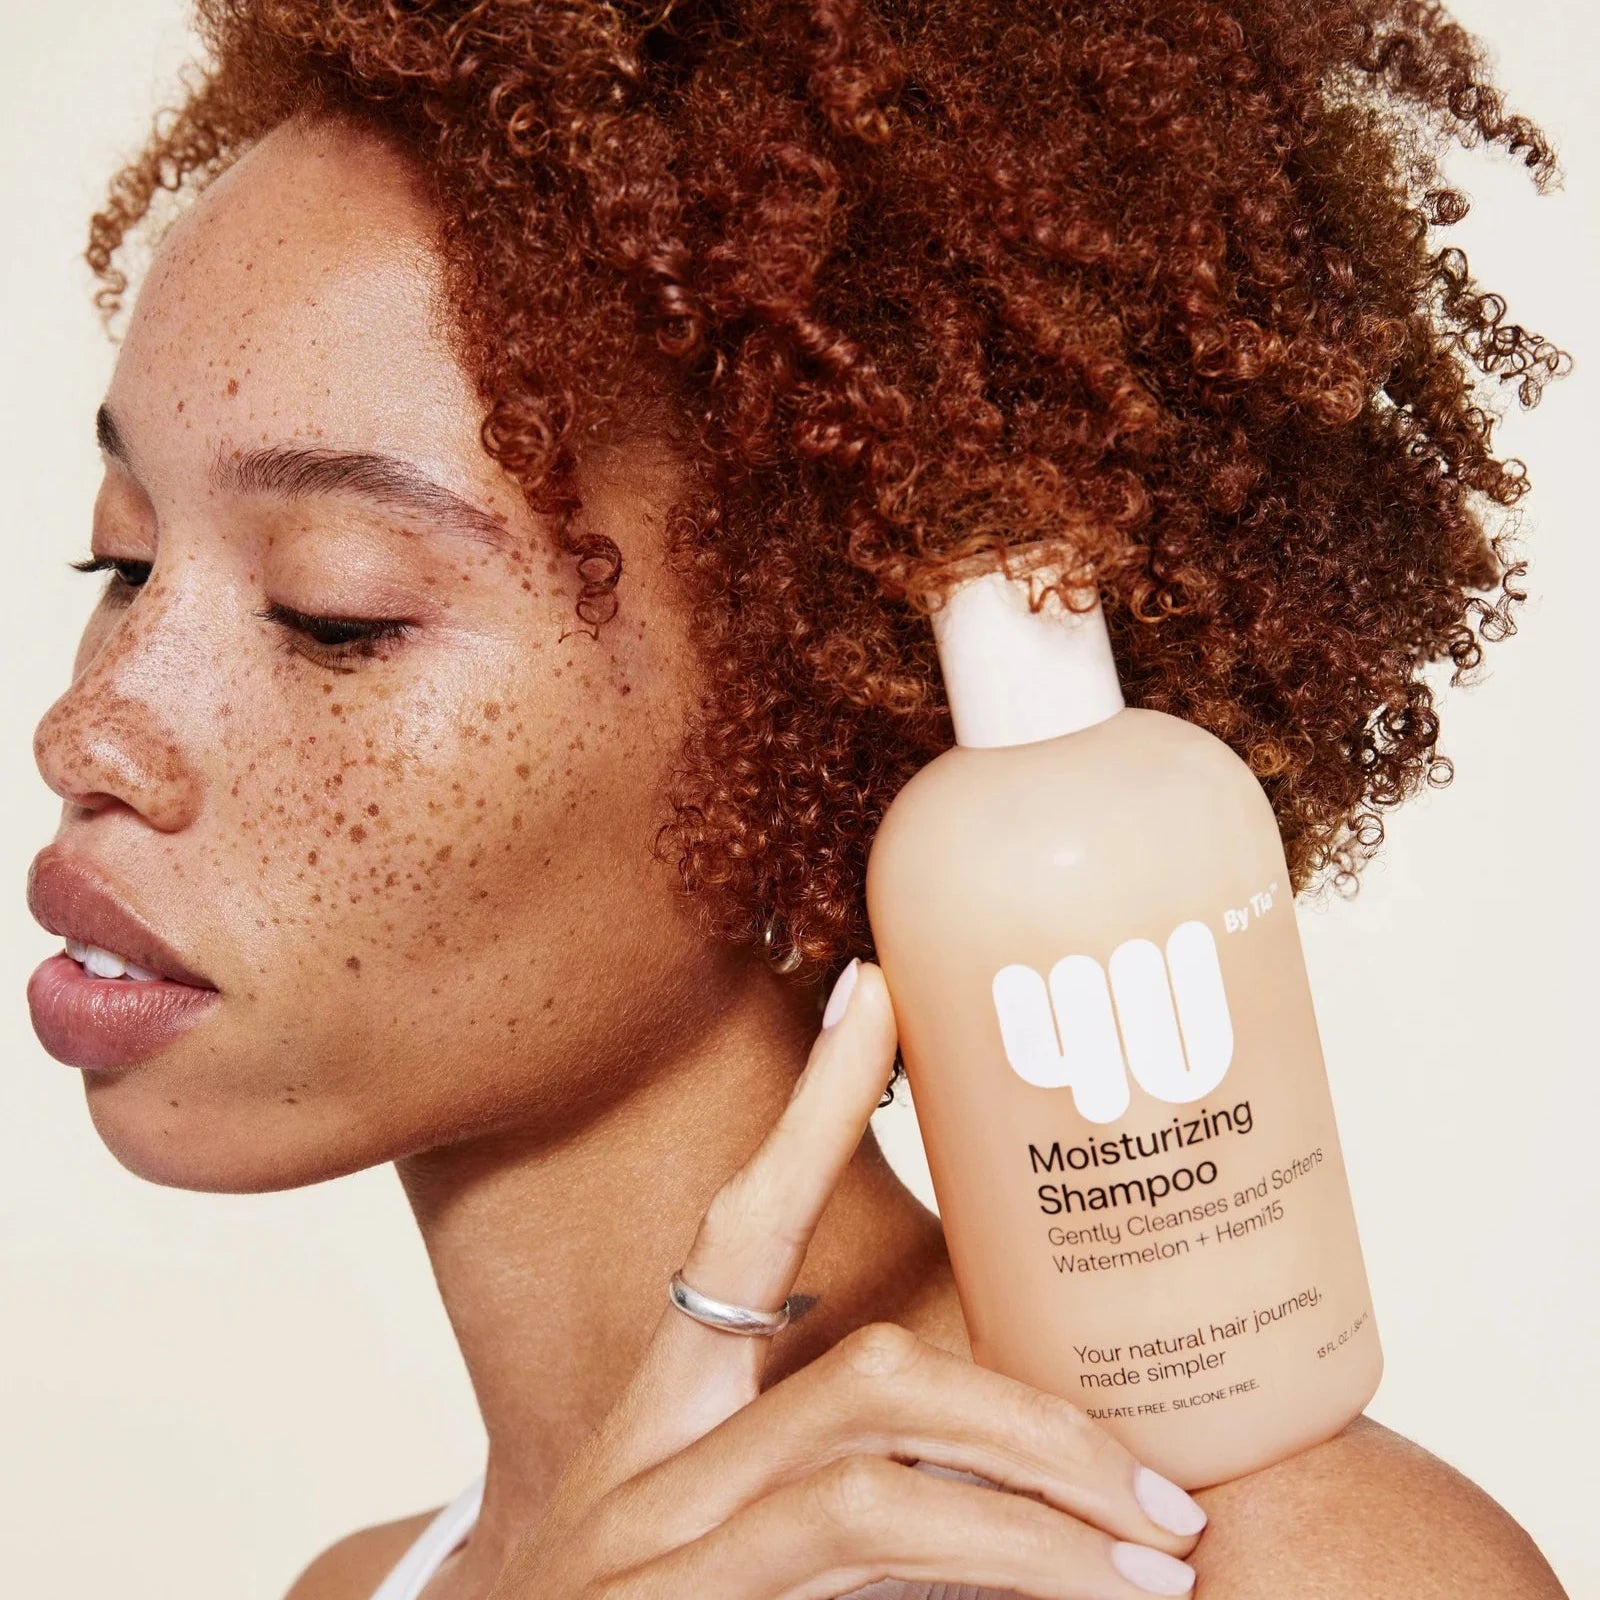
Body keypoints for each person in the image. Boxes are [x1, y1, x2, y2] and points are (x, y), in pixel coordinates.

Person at [25, 2, 1572, 1596]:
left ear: (817, 715)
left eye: (332, 611)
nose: (88, 731)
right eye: (120, 557)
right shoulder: (359, 1585)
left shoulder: (1271, 1566)